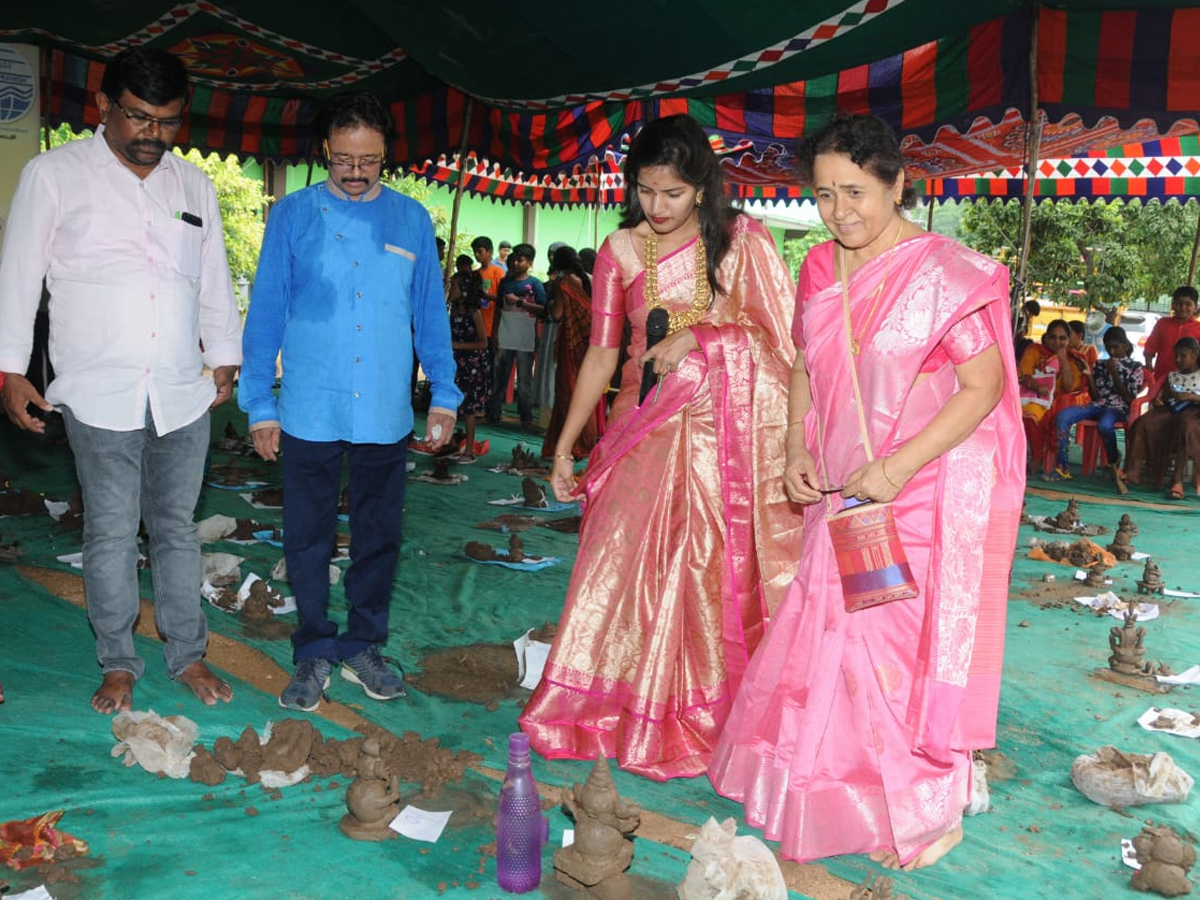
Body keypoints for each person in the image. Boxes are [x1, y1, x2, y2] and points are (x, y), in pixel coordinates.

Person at [708, 113, 1024, 870]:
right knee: (834, 646)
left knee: (895, 652)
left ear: (897, 182)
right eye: (822, 195)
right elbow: (804, 370)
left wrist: (896, 469)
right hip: (841, 491)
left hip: (914, 495)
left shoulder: (949, 273)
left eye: (854, 190)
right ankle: (839, 784)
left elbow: (981, 388)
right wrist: (792, 448)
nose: (838, 210)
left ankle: (932, 803)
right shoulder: (820, 268)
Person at [519, 114, 803, 780]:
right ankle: (621, 704)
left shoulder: (742, 244)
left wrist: (704, 341)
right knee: (618, 567)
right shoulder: (620, 250)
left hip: (720, 450)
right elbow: (601, 354)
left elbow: (787, 350)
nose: (658, 206)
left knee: (699, 574)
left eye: (672, 193)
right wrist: (564, 447)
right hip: (638, 430)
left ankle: (696, 711)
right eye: (646, 190)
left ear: (700, 186)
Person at [0, 47, 241, 715]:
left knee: (174, 527)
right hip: (97, 390)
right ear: (102, 108)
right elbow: (17, 276)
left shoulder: (192, 185)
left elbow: (211, 275)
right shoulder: (53, 175)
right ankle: (119, 662)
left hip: (181, 391)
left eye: (167, 122)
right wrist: (9, 370)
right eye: (137, 117)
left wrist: (224, 354)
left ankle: (186, 653)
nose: (151, 135)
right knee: (109, 530)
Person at [239, 90, 461, 712]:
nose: (357, 172)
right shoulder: (292, 216)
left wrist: (443, 394)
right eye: (343, 159)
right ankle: (313, 648)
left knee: (378, 537)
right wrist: (260, 402)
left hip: (384, 413)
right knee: (305, 536)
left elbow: (429, 315)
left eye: (370, 160)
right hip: (309, 406)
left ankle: (364, 643)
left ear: (387, 153)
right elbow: (267, 312)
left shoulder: (412, 219)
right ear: (325, 152)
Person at [1051, 326, 1144, 479]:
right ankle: (1062, 467)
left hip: (1118, 409)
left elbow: (1129, 398)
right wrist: (1089, 376)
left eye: (1115, 347)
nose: (1112, 352)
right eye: (1108, 348)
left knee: (1105, 425)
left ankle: (1113, 460)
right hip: (1098, 405)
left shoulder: (1136, 367)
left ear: (1125, 346)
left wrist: (1114, 373)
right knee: (1063, 416)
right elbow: (1096, 396)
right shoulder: (1101, 364)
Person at [541, 244, 605, 460]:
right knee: (585, 391)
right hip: (589, 344)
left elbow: (558, 314)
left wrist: (549, 305)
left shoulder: (564, 283)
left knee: (567, 393)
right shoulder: (587, 280)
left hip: (571, 344)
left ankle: (570, 444)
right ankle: (582, 442)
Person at [1123, 336, 1200, 498]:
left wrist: (1192, 397)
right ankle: (1134, 471)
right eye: (1176, 356)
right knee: (1144, 422)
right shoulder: (1172, 375)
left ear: (1195, 355)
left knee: (1185, 428)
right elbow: (1167, 397)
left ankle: (1177, 480)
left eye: (1183, 356)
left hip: (1195, 414)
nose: (1177, 360)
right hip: (1173, 412)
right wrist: (1160, 399)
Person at [485, 243, 545, 431]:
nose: (517, 263)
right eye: (515, 260)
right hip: (505, 335)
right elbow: (498, 310)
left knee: (525, 380)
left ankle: (525, 417)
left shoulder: (535, 284)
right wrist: (494, 333)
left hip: (525, 338)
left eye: (521, 260)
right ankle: (493, 413)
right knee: (500, 377)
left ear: (530, 263)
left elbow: (544, 309)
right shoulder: (505, 282)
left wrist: (520, 302)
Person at [1018, 318, 1086, 476]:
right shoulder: (1034, 351)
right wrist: (1037, 387)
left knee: (1031, 415)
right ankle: (1018, 458)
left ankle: (1037, 457)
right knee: (1019, 413)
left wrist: (1063, 361)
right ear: (1046, 337)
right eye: (1053, 337)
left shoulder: (1073, 358)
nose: (1057, 342)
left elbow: (1069, 387)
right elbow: (1023, 375)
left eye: (1062, 338)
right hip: (1029, 394)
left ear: (1069, 340)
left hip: (1058, 401)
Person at [447, 255, 491, 463]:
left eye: (454, 286)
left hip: (472, 365)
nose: (451, 290)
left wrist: (457, 346)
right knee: (453, 402)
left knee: (469, 408)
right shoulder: (454, 310)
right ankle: (450, 441)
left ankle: (469, 451)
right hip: (457, 362)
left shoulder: (474, 313)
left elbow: (483, 342)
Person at [1143, 286, 1200, 382]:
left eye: (1188, 304)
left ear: (1195, 307)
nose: (1183, 307)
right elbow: (1150, 348)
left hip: (1189, 382)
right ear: (1173, 305)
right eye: (1179, 303)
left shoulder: (1198, 328)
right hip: (1160, 378)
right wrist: (1149, 366)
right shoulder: (1162, 323)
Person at [471, 236, 505, 354]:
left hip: (491, 326)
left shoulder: (498, 272)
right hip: (476, 325)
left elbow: (502, 298)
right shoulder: (474, 274)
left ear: (489, 252)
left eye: (480, 251)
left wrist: (486, 296)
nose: (476, 254)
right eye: (474, 252)